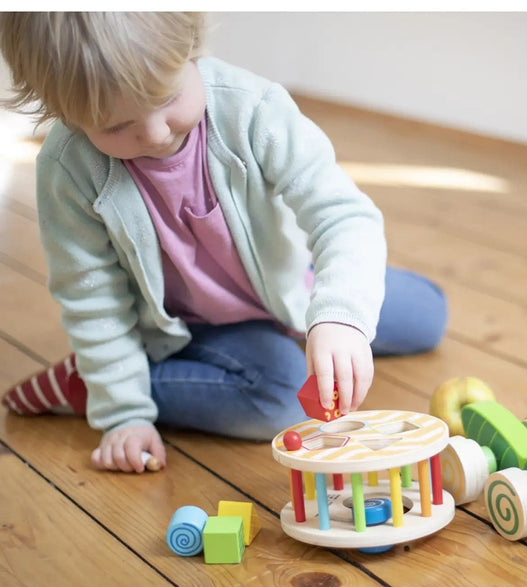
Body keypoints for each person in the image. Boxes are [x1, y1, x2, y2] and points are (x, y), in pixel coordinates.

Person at [0, 12, 447, 473]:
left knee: (428, 314)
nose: (155, 134)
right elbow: (91, 298)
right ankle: (94, 384)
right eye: (116, 126)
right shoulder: (68, 169)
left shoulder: (252, 108)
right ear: (63, 114)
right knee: (279, 396)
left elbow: (343, 216)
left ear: (191, 46)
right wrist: (123, 413)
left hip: (287, 283)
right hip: (189, 327)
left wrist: (339, 318)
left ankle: (299, 325)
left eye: (168, 97)